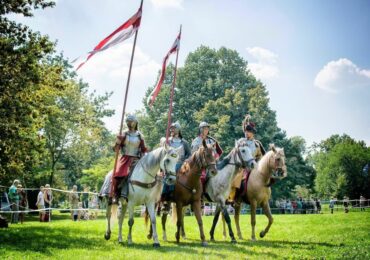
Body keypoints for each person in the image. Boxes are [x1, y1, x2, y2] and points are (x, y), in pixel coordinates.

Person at [228, 114, 265, 203]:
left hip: (253, 167)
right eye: (245, 131)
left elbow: (260, 157)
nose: (246, 133)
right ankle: (232, 198)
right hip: (242, 167)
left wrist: (258, 164)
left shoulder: (257, 144)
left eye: (248, 131)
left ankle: (264, 196)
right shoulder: (240, 141)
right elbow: (235, 153)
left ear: (252, 132)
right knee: (236, 179)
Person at [112, 114, 148, 201]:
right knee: (118, 173)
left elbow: (143, 149)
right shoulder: (124, 134)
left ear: (135, 123)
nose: (129, 123)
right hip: (125, 158)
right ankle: (116, 194)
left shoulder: (140, 136)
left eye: (131, 121)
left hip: (136, 159)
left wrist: (146, 156)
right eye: (128, 121)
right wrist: (117, 142)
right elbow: (115, 149)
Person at [161, 122, 191, 201]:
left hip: (180, 163)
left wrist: (185, 161)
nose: (172, 130)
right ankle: (163, 193)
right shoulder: (167, 142)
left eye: (174, 128)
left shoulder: (184, 142)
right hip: (169, 163)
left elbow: (189, 154)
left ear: (178, 129)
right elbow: (163, 152)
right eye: (171, 128)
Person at [191, 121, 223, 185]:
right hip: (200, 165)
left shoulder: (212, 140)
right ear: (200, 130)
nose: (206, 130)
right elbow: (193, 154)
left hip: (211, 163)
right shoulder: (196, 141)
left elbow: (217, 152)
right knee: (202, 178)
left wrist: (216, 157)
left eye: (207, 129)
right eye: (204, 128)